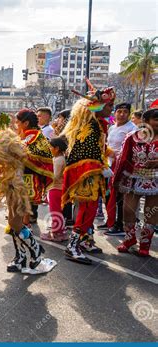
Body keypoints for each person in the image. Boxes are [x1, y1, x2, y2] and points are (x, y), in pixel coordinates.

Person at [62, 80, 116, 264]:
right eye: (109, 106)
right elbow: (84, 152)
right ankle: (72, 246)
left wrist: (108, 153)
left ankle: (84, 241)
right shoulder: (90, 126)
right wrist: (102, 166)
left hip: (93, 174)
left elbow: (97, 148)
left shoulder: (98, 125)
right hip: (87, 174)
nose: (112, 110)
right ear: (98, 106)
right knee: (86, 210)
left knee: (90, 210)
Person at [0, 129, 57, 274]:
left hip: (19, 191)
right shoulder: (11, 160)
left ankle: (37, 254)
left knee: (16, 223)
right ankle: (20, 258)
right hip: (12, 190)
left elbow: (37, 164)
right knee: (13, 223)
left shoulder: (21, 156)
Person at [113, 104, 158, 257]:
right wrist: (117, 180)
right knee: (128, 209)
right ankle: (129, 239)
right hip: (132, 178)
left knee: (151, 212)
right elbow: (123, 158)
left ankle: (145, 244)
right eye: (155, 119)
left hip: (156, 180)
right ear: (145, 120)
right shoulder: (133, 136)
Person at [97, 103, 137, 236]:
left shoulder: (132, 129)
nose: (121, 114)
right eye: (119, 111)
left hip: (124, 166)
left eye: (125, 112)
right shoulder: (112, 127)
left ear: (129, 114)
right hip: (109, 164)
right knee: (107, 194)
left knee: (120, 196)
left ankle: (119, 225)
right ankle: (110, 221)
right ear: (115, 113)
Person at [15, 109, 53, 226]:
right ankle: (22, 224)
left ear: (25, 123)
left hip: (29, 175)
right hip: (21, 174)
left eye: (18, 122)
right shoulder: (25, 135)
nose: (16, 125)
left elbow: (39, 154)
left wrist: (17, 152)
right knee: (20, 203)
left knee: (26, 203)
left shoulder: (35, 135)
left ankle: (26, 226)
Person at [40, 137, 68, 242]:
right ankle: (60, 231)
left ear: (56, 148)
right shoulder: (59, 158)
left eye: (50, 147)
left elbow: (55, 176)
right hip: (57, 188)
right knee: (57, 211)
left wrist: (44, 172)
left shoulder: (59, 160)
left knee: (55, 211)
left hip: (55, 188)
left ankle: (56, 234)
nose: (49, 148)